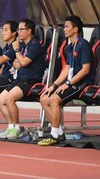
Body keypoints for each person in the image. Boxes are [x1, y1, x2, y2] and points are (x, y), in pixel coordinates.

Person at [38, 15, 95, 146]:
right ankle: (58, 132)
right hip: (71, 82)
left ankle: (54, 135)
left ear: (75, 29)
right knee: (44, 99)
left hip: (83, 83)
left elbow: (85, 70)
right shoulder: (70, 47)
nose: (64, 29)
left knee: (54, 99)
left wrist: (68, 84)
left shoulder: (83, 45)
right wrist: (54, 85)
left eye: (67, 26)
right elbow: (66, 69)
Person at [0, 19, 45, 139]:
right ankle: (11, 126)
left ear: (29, 31)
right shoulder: (23, 45)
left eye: (20, 29)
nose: (18, 32)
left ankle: (17, 128)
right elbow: (16, 63)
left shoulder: (34, 45)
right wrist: (20, 59)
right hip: (20, 78)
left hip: (31, 80)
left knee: (9, 99)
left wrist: (17, 51)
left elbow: (22, 62)